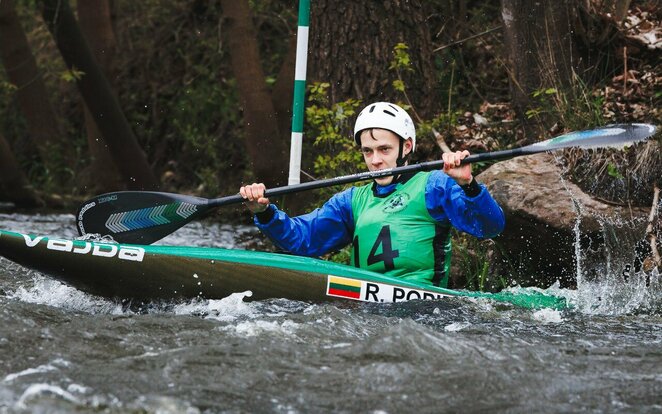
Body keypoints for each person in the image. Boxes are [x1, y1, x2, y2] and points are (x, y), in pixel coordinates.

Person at [239, 102, 505, 288]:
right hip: (365, 309)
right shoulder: (352, 201)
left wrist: (468, 185)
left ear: (406, 147)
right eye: (368, 151)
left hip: (424, 308)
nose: (375, 160)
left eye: (384, 149)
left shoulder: (434, 186)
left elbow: (490, 227)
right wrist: (264, 212)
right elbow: (302, 240)